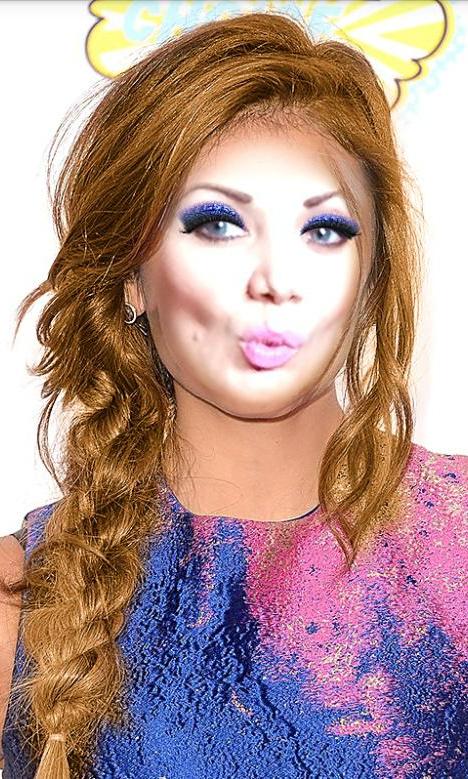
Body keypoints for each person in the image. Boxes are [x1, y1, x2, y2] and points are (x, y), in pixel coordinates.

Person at [1, 9, 466, 779]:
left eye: (324, 230)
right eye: (217, 224)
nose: (275, 280)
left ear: (373, 276)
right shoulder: (25, 601)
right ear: (131, 277)